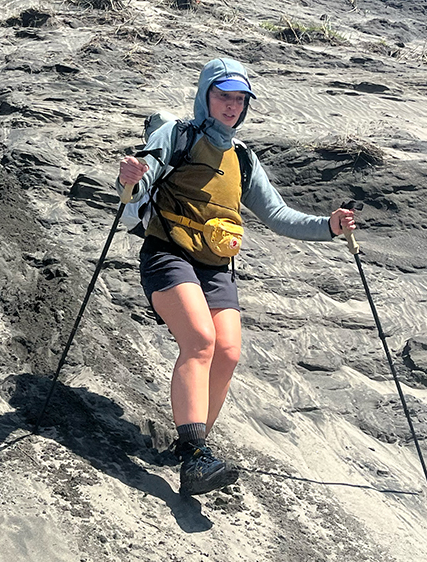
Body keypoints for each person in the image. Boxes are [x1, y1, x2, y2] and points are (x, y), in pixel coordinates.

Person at [118, 57, 355, 496]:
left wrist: (330, 226)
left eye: (239, 99)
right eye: (223, 96)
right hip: (167, 254)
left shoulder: (243, 158)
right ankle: (194, 458)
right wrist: (130, 179)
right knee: (200, 342)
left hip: (215, 267)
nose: (231, 106)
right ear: (205, 95)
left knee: (227, 352)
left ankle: (193, 445)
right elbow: (140, 183)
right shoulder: (177, 136)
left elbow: (279, 216)